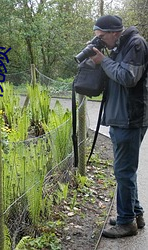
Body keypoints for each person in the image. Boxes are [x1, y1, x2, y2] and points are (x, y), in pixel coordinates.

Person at [90, 15, 148, 238]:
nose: (101, 41)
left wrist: (103, 61)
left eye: (102, 37)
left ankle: (126, 223)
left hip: (130, 118)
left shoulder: (136, 44)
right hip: (120, 117)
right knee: (125, 171)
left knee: (123, 171)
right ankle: (135, 214)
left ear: (114, 32)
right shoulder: (119, 46)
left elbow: (127, 77)